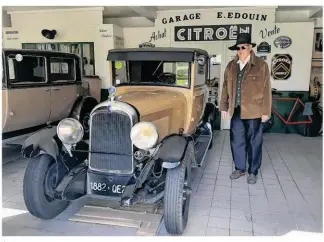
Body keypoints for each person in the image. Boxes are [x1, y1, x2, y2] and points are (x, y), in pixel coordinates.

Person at [219, 33, 272, 184]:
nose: (240, 50)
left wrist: (266, 111)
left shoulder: (261, 65)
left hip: (255, 111)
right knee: (236, 141)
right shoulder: (231, 66)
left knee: (254, 142)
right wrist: (223, 106)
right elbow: (225, 87)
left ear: (250, 48)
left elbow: (267, 89)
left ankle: (253, 171)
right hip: (236, 110)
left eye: (243, 47)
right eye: (238, 48)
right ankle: (239, 168)